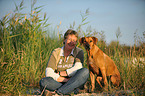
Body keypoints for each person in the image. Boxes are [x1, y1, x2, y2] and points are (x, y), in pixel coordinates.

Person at [39, 29, 89, 95]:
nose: (72, 42)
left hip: (75, 81)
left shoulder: (78, 51)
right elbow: (49, 72)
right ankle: (68, 90)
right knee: (43, 81)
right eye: (69, 39)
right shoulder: (56, 52)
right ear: (64, 40)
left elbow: (78, 67)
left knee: (85, 72)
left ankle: (59, 92)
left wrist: (63, 73)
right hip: (59, 82)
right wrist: (65, 80)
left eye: (74, 41)